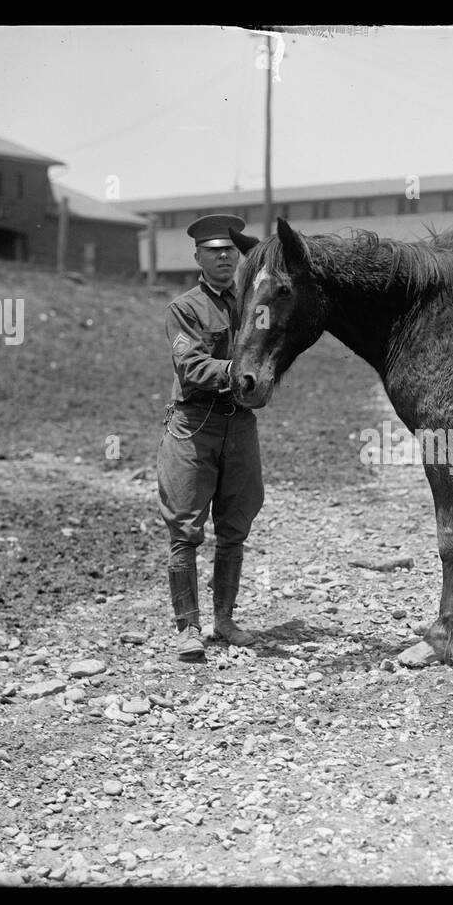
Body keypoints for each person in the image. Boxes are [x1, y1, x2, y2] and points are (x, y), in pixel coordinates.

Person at [157, 213, 264, 662]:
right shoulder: (184, 308)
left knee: (235, 525)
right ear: (198, 257)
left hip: (239, 425)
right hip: (195, 425)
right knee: (185, 529)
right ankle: (188, 628)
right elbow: (191, 367)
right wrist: (238, 371)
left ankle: (224, 620)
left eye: (230, 251)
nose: (224, 257)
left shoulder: (253, 304)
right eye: (214, 251)